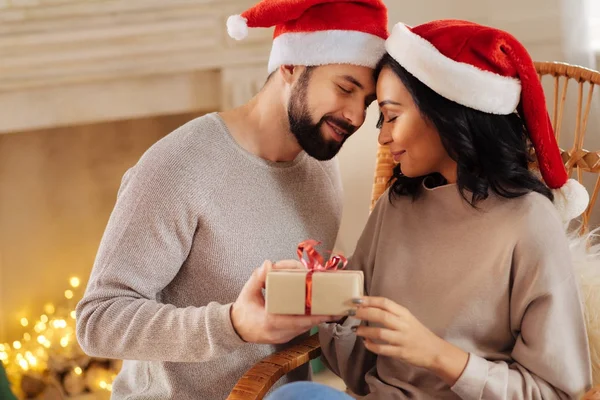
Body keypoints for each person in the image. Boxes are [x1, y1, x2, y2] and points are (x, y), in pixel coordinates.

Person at [74, 1, 389, 399]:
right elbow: (97, 321)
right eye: (345, 88)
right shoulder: (178, 166)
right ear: (292, 65)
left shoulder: (322, 171)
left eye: (367, 102)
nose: (356, 117)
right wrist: (233, 324)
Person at [266, 19, 593, 399]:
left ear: (446, 112)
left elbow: (558, 392)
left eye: (391, 116)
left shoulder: (530, 222)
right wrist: (330, 305)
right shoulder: (397, 205)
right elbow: (356, 373)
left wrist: (440, 356)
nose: (383, 136)